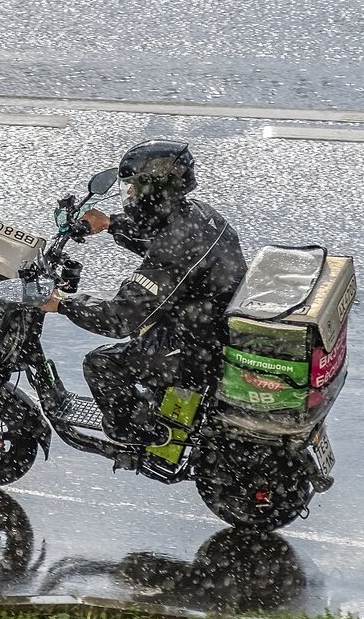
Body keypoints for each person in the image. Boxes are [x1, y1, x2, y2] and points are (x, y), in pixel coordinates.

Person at [41, 139, 247, 447]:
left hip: (196, 346)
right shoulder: (197, 216)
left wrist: (62, 304)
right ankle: (155, 406)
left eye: (134, 188)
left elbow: (120, 319)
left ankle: (139, 434)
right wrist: (110, 224)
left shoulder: (172, 249)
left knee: (101, 365)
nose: (130, 195)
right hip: (211, 323)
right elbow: (161, 238)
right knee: (144, 331)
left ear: (154, 189)